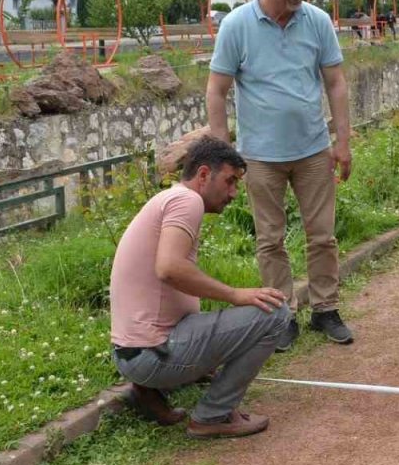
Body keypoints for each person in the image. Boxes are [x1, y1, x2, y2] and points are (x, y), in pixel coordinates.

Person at [207, 0, 355, 352]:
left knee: (322, 236)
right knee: (270, 240)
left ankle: (325, 308)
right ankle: (281, 315)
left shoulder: (317, 22)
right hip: (259, 156)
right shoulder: (237, 25)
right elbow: (216, 90)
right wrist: (222, 153)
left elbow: (336, 83)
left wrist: (342, 142)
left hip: (312, 150)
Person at [110, 135, 289, 439]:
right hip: (153, 354)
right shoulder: (187, 201)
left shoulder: (169, 198)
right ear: (204, 174)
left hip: (132, 354)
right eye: (230, 181)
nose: (233, 193)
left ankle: (147, 391)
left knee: (221, 315)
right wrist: (235, 294)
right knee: (275, 313)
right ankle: (212, 415)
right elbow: (169, 268)